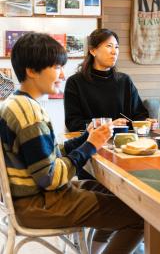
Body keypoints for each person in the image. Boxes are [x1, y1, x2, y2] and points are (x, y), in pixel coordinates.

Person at [0, 32, 143, 254]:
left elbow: (50, 154)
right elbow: (50, 177)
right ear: (31, 71)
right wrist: (90, 147)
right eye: (57, 67)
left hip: (32, 198)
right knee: (141, 217)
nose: (62, 74)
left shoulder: (18, 104)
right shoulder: (29, 113)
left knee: (117, 195)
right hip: (38, 205)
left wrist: (86, 138)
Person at [64, 28, 149, 132]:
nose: (114, 51)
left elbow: (139, 115)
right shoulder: (75, 82)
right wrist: (108, 125)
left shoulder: (124, 80)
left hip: (124, 142)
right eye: (109, 46)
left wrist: (145, 122)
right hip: (89, 144)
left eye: (116, 47)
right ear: (93, 50)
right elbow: (73, 123)